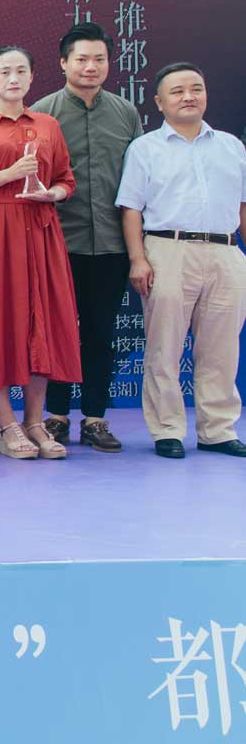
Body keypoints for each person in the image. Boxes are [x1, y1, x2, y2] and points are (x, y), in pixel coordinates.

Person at [0, 46, 80, 460]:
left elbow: (67, 180)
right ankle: (7, 424)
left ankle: (35, 422)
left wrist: (50, 193)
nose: (13, 78)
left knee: (43, 322)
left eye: (21, 70)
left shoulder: (48, 125)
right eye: (4, 71)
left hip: (41, 229)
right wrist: (9, 174)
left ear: (32, 77)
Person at [117, 62, 246, 459]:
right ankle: (167, 429)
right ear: (159, 102)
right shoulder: (145, 148)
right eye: (177, 91)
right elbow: (131, 209)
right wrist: (138, 260)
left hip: (226, 251)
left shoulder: (231, 146)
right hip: (168, 249)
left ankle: (218, 429)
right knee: (164, 346)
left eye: (196, 88)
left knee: (222, 348)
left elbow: (242, 206)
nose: (188, 97)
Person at [31, 21, 142, 452]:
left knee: (101, 332)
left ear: (109, 63)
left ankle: (95, 418)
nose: (90, 66)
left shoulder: (126, 113)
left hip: (113, 244)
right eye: (81, 59)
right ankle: (56, 416)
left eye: (99, 59)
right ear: (63, 63)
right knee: (59, 332)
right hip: (58, 242)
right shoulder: (42, 113)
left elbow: (138, 182)